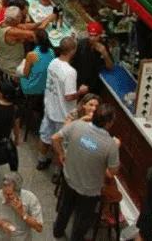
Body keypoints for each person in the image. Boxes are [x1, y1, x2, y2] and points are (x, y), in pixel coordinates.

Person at [51, 103, 120, 241]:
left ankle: (57, 231)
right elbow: (112, 171)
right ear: (109, 123)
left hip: (69, 178)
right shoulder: (110, 145)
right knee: (82, 219)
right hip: (90, 190)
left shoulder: (77, 125)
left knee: (65, 207)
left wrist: (61, 154)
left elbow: (55, 138)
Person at [38, 36, 86, 170]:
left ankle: (41, 160)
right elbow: (69, 96)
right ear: (72, 51)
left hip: (50, 107)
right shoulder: (70, 72)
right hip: (63, 113)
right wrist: (81, 91)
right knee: (61, 143)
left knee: (45, 136)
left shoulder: (53, 62)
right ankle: (57, 171)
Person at [0, 172, 44, 241]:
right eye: (4, 192)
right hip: (1, 238)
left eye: (10, 194)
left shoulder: (30, 198)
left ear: (18, 191)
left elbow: (39, 228)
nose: (6, 197)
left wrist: (23, 214)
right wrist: (0, 223)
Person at [71, 22, 114, 95]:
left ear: (100, 35)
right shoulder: (81, 45)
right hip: (80, 82)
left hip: (95, 85)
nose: (92, 38)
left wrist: (105, 53)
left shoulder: (103, 47)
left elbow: (110, 67)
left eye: (95, 36)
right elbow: (73, 63)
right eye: (90, 35)